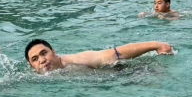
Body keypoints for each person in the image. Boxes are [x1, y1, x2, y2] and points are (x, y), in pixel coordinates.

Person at [25, 39, 174, 74]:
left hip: (125, 75)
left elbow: (116, 53)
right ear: (32, 66)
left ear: (54, 52)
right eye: (35, 59)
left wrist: (155, 45)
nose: (42, 60)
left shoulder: (77, 59)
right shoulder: (32, 79)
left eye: (44, 53)